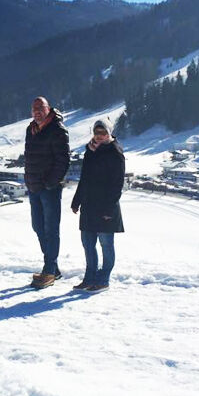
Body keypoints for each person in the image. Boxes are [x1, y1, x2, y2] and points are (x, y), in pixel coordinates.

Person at [71, 118, 125, 292]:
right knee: (88, 244)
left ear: (109, 133)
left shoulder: (115, 152)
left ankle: (103, 279)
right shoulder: (90, 151)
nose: (99, 136)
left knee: (106, 245)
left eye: (103, 132)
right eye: (96, 132)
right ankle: (90, 278)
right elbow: (84, 178)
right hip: (88, 205)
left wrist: (109, 209)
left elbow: (117, 185)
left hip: (105, 207)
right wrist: (76, 200)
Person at [24, 96, 70, 289]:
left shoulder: (58, 130)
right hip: (34, 187)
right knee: (38, 226)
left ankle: (49, 271)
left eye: (40, 108)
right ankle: (54, 268)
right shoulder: (30, 129)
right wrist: (29, 180)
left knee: (51, 229)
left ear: (48, 108)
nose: (37, 112)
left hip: (49, 189)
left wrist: (50, 183)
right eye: (34, 109)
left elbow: (63, 161)